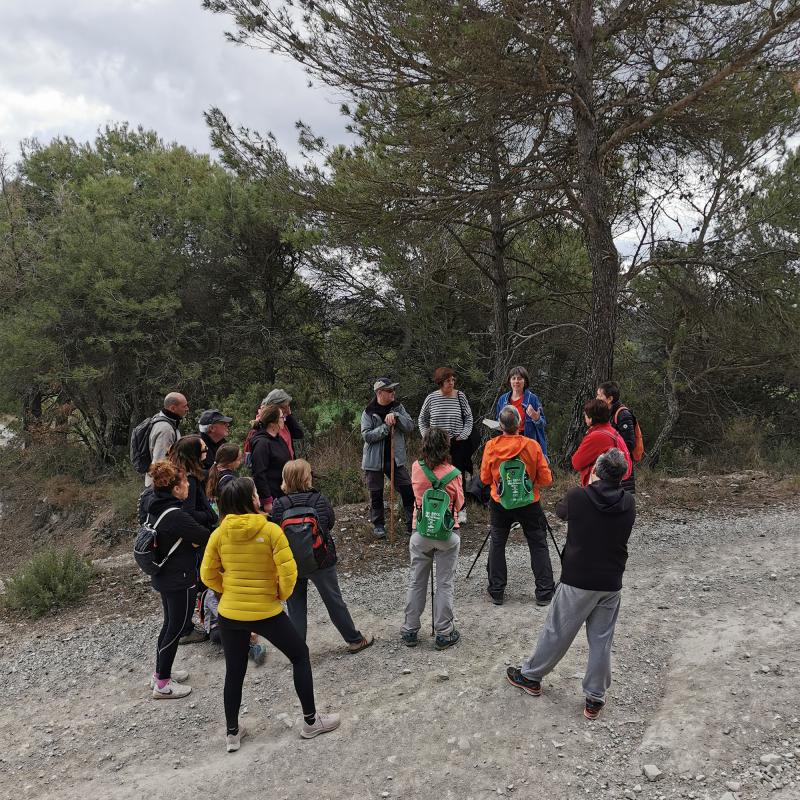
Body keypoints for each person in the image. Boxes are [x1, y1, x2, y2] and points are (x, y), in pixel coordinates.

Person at [200, 477, 341, 752]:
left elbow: (207, 575)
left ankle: (232, 733)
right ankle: (311, 722)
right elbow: (289, 572)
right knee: (300, 655)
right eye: (255, 493)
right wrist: (279, 594)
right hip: (266, 610)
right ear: (249, 500)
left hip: (230, 613)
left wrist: (226, 590)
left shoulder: (218, 534)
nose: (258, 495)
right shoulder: (271, 530)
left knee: (235, 670)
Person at [506, 449, 636, 721]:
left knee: (557, 631)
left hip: (578, 577)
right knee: (601, 640)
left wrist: (587, 485)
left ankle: (531, 676)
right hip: (611, 581)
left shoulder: (580, 496)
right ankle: (595, 697)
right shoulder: (629, 503)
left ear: (597, 471)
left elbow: (561, 510)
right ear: (622, 475)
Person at [271, 459, 374, 654]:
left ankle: (297, 650)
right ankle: (354, 640)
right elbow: (329, 523)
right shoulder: (319, 500)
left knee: (296, 607)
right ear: (307, 477)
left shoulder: (278, 505)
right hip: (321, 559)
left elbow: (276, 532)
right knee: (334, 601)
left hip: (291, 563)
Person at [142, 460, 211, 699]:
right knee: (177, 627)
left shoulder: (154, 504)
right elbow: (205, 536)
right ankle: (163, 684)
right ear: (176, 487)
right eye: (185, 483)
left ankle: (161, 672)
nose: (189, 487)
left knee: (169, 624)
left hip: (164, 576)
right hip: (179, 578)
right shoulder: (175, 515)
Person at [480, 405, 554, 606]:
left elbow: (485, 478)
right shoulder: (532, 445)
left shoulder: (491, 446)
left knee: (497, 543)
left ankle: (496, 591)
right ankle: (545, 591)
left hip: (500, 501)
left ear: (500, 426)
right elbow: (546, 480)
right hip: (529, 501)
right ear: (520, 424)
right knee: (537, 543)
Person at [401, 428, 464, 650]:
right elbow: (459, 505)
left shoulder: (416, 468)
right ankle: (444, 632)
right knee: (444, 582)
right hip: (447, 533)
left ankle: (410, 629)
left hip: (421, 531)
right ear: (446, 446)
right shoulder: (454, 473)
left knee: (417, 581)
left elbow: (414, 495)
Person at [169, 435, 219, 644]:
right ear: (193, 455)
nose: (207, 453)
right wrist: (210, 516)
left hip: (196, 536)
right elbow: (187, 513)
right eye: (204, 450)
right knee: (200, 580)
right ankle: (187, 629)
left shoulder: (189, 475)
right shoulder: (188, 479)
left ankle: (189, 625)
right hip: (196, 539)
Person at [418, 367, 475, 524]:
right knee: (436, 476)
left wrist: (463, 435)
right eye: (448, 380)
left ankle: (461, 509)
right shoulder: (431, 398)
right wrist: (427, 437)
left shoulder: (460, 396)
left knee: (458, 475)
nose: (452, 382)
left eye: (453, 380)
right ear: (440, 382)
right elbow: (422, 419)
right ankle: (438, 507)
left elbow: (469, 418)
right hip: (436, 445)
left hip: (457, 443)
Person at [361, 378, 416, 539]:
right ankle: (379, 526)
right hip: (374, 461)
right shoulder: (368, 412)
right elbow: (367, 436)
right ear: (379, 393)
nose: (393, 393)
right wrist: (386, 428)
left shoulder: (398, 407)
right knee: (376, 493)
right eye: (389, 391)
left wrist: (397, 417)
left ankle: (411, 523)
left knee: (407, 489)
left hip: (395, 459)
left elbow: (410, 426)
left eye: (393, 390)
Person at [571, 399, 632, 487]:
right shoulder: (611, 431)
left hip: (600, 487)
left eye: (585, 415)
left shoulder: (597, 436)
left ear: (591, 419)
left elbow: (576, 463)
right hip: (614, 484)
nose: (584, 417)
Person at [494, 366, 548, 460]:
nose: (516, 381)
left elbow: (542, 423)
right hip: (508, 441)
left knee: (526, 472)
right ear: (509, 381)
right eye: (513, 378)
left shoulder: (532, 399)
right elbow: (498, 421)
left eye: (520, 378)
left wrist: (536, 418)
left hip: (527, 441)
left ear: (525, 381)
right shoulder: (502, 399)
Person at [243, 389, 304, 466]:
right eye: (284, 407)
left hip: (287, 470)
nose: (286, 409)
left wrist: (289, 414)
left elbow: (299, 434)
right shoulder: (263, 424)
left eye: (287, 406)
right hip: (275, 472)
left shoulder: (284, 420)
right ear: (275, 407)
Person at [249, 404, 293, 513]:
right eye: (282, 417)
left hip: (284, 493)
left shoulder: (278, 439)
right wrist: (267, 501)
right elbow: (259, 473)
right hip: (273, 498)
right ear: (273, 423)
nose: (284, 420)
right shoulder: (261, 444)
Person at [597, 381, 637, 493]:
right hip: (613, 467)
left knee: (623, 501)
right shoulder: (609, 413)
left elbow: (629, 443)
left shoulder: (622, 414)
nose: (597, 398)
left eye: (599, 395)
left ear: (609, 399)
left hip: (620, 467)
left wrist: (611, 453)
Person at [144, 392, 188, 488]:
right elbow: (160, 463)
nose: (187, 409)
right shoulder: (166, 429)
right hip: (161, 485)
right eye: (184, 406)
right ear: (173, 408)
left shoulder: (167, 422)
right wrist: (164, 490)